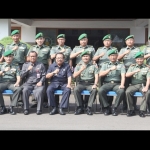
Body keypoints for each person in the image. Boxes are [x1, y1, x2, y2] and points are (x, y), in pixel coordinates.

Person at [70, 33, 95, 110]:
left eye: (84, 40)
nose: (83, 41)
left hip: (89, 67)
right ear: (79, 41)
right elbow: (71, 57)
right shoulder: (76, 48)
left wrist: (94, 66)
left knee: (88, 84)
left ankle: (86, 103)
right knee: (79, 86)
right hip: (79, 67)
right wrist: (79, 52)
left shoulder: (91, 48)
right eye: (82, 40)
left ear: (87, 40)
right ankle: (79, 105)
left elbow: (93, 58)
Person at [92, 34, 118, 110]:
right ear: (103, 42)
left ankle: (109, 104)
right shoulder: (100, 49)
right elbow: (94, 59)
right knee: (101, 88)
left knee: (111, 86)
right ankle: (102, 104)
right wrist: (99, 55)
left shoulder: (114, 49)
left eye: (108, 41)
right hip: (102, 70)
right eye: (105, 41)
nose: (107, 42)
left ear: (111, 41)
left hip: (112, 69)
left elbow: (117, 58)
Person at [26, 32, 51, 108]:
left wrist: (49, 69)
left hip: (44, 66)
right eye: (38, 39)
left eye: (41, 39)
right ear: (36, 40)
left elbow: (49, 59)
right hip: (34, 66)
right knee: (34, 82)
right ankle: (35, 101)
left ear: (43, 40)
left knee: (44, 83)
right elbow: (27, 58)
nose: (40, 40)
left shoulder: (47, 48)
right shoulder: (32, 48)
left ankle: (45, 101)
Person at [98, 49, 126, 116]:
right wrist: (110, 69)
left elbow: (123, 76)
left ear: (117, 56)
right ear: (109, 57)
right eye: (111, 55)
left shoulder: (121, 65)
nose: (113, 57)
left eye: (114, 55)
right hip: (107, 83)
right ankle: (107, 107)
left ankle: (115, 108)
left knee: (121, 91)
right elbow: (100, 74)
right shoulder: (105, 65)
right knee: (100, 90)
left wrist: (122, 85)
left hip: (117, 83)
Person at [118, 35, 141, 111]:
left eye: (131, 40)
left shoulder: (137, 49)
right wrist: (124, 53)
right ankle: (125, 105)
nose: (130, 41)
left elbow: (140, 59)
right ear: (126, 42)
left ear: (133, 41)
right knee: (125, 87)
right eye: (128, 40)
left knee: (134, 87)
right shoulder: (122, 49)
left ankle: (134, 105)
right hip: (125, 70)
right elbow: (118, 58)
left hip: (135, 70)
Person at [50, 34, 72, 108]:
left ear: (64, 40)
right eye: (59, 39)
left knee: (65, 86)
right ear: (57, 40)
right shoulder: (54, 48)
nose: (61, 40)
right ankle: (55, 105)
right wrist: (59, 53)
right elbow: (51, 57)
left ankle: (62, 107)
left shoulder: (68, 48)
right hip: (55, 67)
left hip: (65, 66)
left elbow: (70, 59)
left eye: (62, 39)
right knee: (53, 86)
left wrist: (70, 67)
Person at [20, 51, 46, 115]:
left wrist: (41, 81)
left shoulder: (41, 65)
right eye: (31, 56)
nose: (32, 57)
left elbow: (44, 75)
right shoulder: (25, 65)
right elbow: (22, 76)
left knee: (40, 91)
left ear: (36, 57)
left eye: (34, 56)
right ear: (29, 57)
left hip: (37, 83)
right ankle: (26, 109)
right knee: (25, 90)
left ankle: (39, 109)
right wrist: (28, 70)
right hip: (28, 84)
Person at [73, 50, 98, 115]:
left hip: (90, 84)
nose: (85, 57)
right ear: (82, 57)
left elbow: (96, 76)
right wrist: (81, 69)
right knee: (76, 89)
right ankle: (79, 107)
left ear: (89, 57)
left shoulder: (93, 66)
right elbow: (74, 76)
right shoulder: (78, 66)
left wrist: (95, 84)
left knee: (94, 90)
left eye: (87, 56)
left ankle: (89, 107)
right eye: (84, 56)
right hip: (81, 83)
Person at [125, 51, 150, 117]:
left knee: (147, 92)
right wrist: (134, 71)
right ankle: (131, 110)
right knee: (128, 91)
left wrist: (146, 87)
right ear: (136, 59)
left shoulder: (147, 67)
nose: (140, 60)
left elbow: (148, 79)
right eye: (138, 59)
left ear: (143, 59)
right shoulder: (132, 67)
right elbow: (127, 75)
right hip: (134, 85)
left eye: (141, 59)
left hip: (142, 85)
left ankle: (142, 110)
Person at [0, 50, 21, 115]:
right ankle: (2, 107)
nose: (8, 58)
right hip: (2, 83)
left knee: (18, 89)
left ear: (12, 57)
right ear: (4, 58)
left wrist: (17, 82)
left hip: (12, 83)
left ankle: (12, 107)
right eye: (7, 57)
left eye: (10, 56)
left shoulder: (16, 66)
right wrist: (3, 71)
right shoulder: (1, 65)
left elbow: (18, 76)